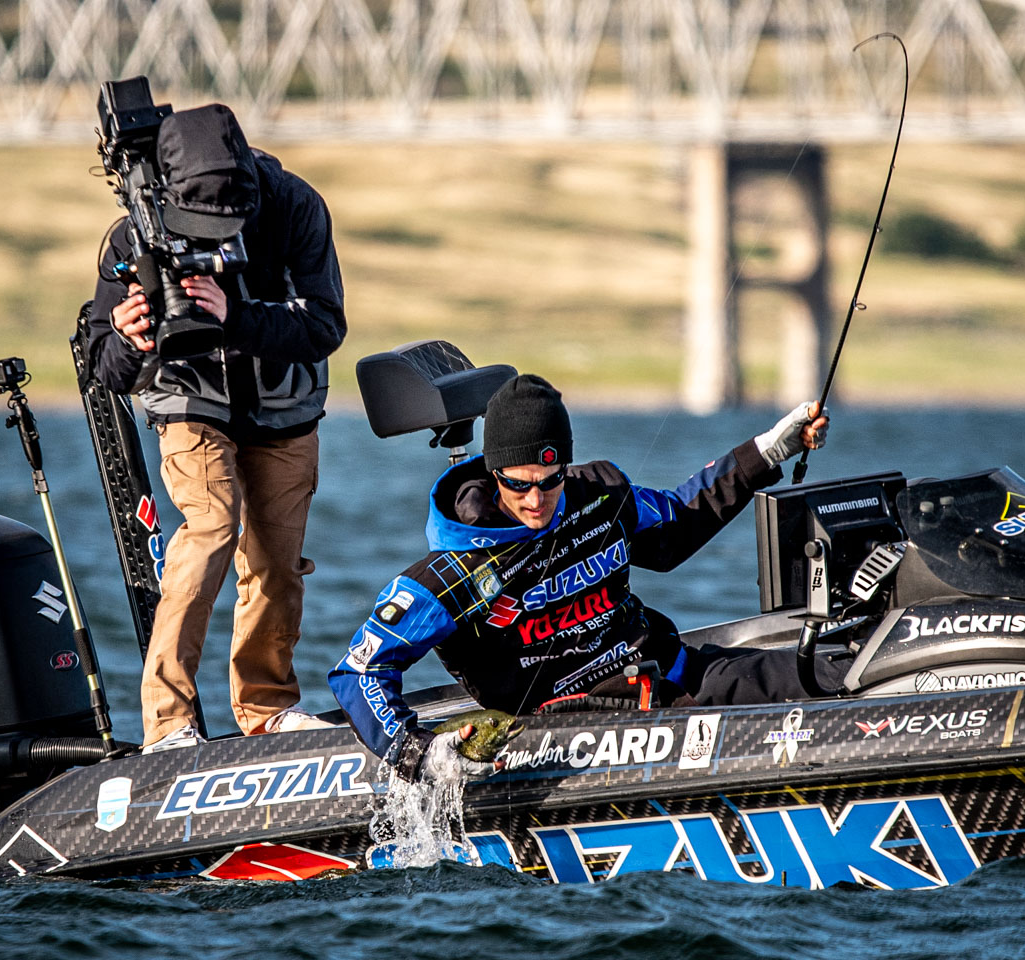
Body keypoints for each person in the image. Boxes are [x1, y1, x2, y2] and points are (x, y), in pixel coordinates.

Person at [329, 374, 830, 781]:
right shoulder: (456, 569)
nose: (536, 501)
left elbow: (676, 524)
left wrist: (767, 452)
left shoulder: (601, 495)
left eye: (550, 482)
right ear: (495, 473)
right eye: (518, 485)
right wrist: (418, 753)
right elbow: (359, 671)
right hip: (566, 734)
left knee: (830, 677)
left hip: (673, 674)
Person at [87, 102, 345, 750]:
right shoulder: (134, 230)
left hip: (283, 407)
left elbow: (324, 325)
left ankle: (267, 707)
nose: (213, 242)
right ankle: (168, 723)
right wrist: (128, 336)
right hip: (190, 398)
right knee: (210, 528)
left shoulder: (296, 207)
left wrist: (237, 316)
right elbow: (104, 366)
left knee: (276, 563)